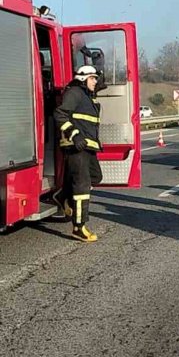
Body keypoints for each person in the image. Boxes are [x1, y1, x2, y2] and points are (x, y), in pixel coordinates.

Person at [53, 65, 104, 243]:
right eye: (93, 78)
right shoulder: (74, 93)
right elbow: (60, 114)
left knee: (96, 177)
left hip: (88, 146)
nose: (95, 81)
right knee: (82, 186)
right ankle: (79, 227)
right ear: (83, 79)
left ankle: (61, 196)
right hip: (76, 147)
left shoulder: (88, 97)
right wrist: (74, 135)